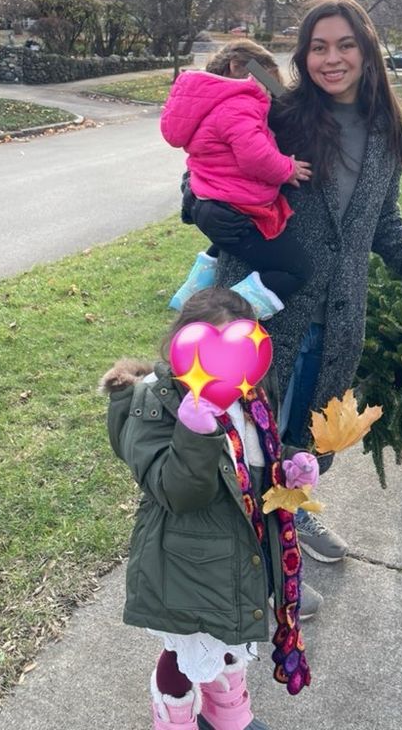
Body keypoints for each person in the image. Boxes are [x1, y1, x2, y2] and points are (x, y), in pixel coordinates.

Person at [188, 0, 402, 568]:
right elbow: (209, 159)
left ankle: (290, 516)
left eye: (345, 45)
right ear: (303, 56)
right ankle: (249, 563)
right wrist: (197, 204)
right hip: (263, 302)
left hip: (336, 314)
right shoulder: (280, 116)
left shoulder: (385, 131)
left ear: (367, 51)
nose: (332, 59)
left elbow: (383, 218)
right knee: (241, 431)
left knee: (302, 430)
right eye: (318, 47)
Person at [103, 287, 316, 730]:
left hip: (241, 554)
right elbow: (177, 492)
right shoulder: (153, 403)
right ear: (181, 346)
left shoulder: (251, 397)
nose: (222, 366)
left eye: (236, 353)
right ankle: (174, 719)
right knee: (186, 656)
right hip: (185, 564)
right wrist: (193, 433)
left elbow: (256, 464)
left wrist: (289, 468)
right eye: (209, 354)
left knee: (230, 645)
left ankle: (227, 716)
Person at [161, 40, 313, 320]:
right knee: (296, 269)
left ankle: (193, 291)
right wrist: (287, 169)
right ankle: (223, 316)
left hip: (214, 201)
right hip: (234, 208)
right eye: (267, 81)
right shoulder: (240, 103)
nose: (270, 92)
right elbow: (255, 156)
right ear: (236, 67)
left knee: (225, 245)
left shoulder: (213, 102)